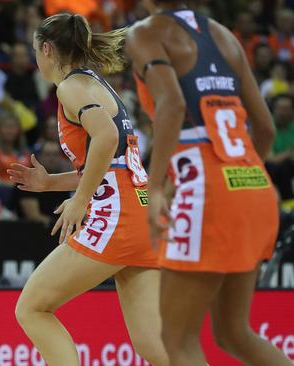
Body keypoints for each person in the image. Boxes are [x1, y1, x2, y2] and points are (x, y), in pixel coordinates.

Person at [126, 1, 291, 365]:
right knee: (233, 333)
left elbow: (171, 104)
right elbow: (265, 128)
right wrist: (238, 180)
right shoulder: (224, 35)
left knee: (175, 338)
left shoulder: (144, 33)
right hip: (254, 185)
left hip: (208, 190)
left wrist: (154, 189)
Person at [8, 13, 167, 366]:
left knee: (32, 308)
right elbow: (114, 165)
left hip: (118, 218)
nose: (35, 58)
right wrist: (52, 183)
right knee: (154, 346)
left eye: (35, 50)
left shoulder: (71, 87)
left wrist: (80, 200)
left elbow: (107, 138)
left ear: (47, 49)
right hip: (140, 215)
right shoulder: (97, 83)